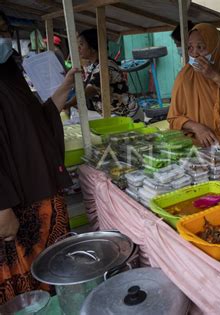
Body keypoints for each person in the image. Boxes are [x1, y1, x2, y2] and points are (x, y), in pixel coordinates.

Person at [0, 11, 77, 303]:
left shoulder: (10, 77)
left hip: (39, 195)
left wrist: (66, 85)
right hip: (13, 207)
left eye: (4, 29)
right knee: (24, 290)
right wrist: (1, 206)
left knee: (52, 275)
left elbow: (36, 121)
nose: (2, 37)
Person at [66, 29, 140, 119]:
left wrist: (67, 104)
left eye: (81, 44)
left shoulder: (105, 66)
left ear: (93, 47)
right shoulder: (93, 66)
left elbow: (89, 91)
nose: (78, 48)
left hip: (128, 115)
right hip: (115, 115)